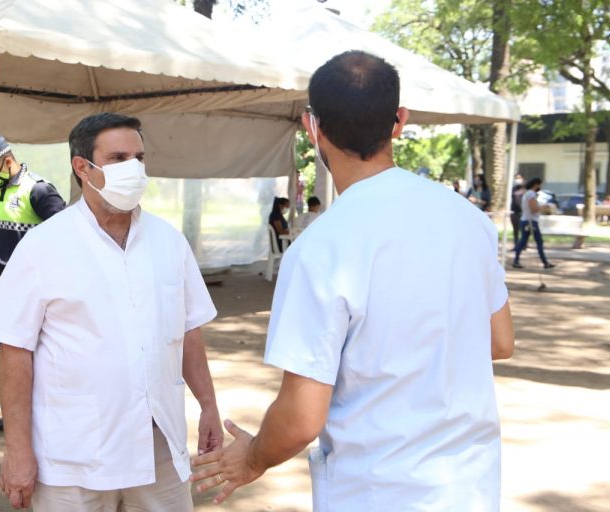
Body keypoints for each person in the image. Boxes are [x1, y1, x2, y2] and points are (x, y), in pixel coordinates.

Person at [191, 50, 515, 510]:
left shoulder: (320, 248)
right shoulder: (470, 220)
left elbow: (301, 418)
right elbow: (499, 341)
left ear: (312, 127)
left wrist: (252, 459)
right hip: (470, 485)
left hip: (377, 488)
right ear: (399, 121)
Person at [0, 113, 223, 511]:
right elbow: (15, 352)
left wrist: (208, 405)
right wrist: (17, 450)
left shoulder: (168, 242)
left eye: (139, 158)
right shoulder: (43, 247)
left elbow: (188, 330)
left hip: (159, 449)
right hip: (74, 456)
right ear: (82, 167)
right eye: (119, 158)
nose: (134, 169)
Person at [0, 134, 66, 433]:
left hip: (31, 288)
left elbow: (67, 233)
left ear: (7, 161)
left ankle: (46, 416)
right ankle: (16, 414)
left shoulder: (38, 190)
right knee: (7, 352)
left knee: (37, 353)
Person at [513, 177, 555, 269]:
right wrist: (544, 207)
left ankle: (516, 260)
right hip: (530, 221)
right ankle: (544, 262)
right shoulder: (531, 194)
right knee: (539, 241)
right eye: (540, 185)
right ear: (536, 184)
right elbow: (533, 209)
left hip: (526, 220)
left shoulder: (527, 193)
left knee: (523, 241)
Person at [510, 175, 525, 249]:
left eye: (519, 178)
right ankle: (516, 245)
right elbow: (514, 195)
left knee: (522, 230)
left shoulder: (525, 189)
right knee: (515, 230)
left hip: (522, 213)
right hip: (514, 211)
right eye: (516, 178)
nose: (517, 180)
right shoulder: (513, 188)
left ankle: (523, 245)